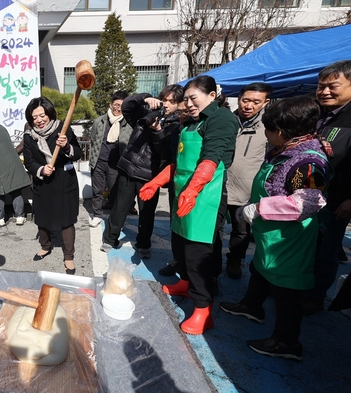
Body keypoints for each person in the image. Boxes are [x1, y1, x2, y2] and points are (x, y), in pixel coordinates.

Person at [220, 96, 332, 361]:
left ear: (279, 132)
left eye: (267, 130)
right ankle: (251, 306)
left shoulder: (309, 162)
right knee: (260, 268)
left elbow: (307, 203)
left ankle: (287, 342)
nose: (266, 135)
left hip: (290, 239)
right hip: (271, 234)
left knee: (286, 290)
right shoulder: (286, 149)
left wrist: (260, 209)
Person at [140, 75, 238, 335]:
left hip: (205, 197)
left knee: (198, 254)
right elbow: (178, 164)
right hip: (183, 195)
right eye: (187, 99)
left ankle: (204, 309)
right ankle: (184, 282)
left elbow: (212, 158)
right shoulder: (189, 125)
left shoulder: (221, 119)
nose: (190, 104)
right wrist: (155, 183)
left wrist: (194, 190)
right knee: (180, 245)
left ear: (212, 95)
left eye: (194, 98)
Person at [101, 85, 183, 260]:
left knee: (147, 213)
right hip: (128, 168)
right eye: (165, 100)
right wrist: (145, 98)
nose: (167, 104)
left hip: (150, 176)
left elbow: (165, 153)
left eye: (172, 101)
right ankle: (110, 238)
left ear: (179, 104)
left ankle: (144, 243)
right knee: (119, 207)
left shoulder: (177, 126)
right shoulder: (146, 113)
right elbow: (126, 106)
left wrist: (158, 132)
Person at [302, 60, 351, 314]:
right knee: (305, 244)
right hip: (308, 193)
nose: (324, 91)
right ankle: (299, 288)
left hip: (336, 199)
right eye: (321, 86)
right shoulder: (317, 114)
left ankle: (315, 296)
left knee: (326, 250)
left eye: (332, 86)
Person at [23, 97, 82, 275]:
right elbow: (29, 161)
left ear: (49, 114)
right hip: (43, 182)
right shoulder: (29, 136)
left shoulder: (62, 129)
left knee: (66, 220)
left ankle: (69, 256)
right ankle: (45, 246)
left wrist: (66, 147)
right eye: (35, 117)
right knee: (42, 218)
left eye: (42, 115)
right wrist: (41, 169)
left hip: (64, 181)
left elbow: (77, 153)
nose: (39, 120)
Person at [223, 83, 273, 279]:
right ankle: (210, 262)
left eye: (255, 102)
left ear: (265, 103)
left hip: (247, 190)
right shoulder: (227, 121)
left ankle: (235, 260)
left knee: (241, 231)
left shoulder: (269, 127)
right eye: (245, 100)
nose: (248, 106)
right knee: (214, 228)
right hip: (220, 185)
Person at [88, 90, 131, 227]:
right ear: (111, 104)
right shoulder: (99, 121)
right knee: (97, 191)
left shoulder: (127, 123)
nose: (118, 108)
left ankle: (114, 217)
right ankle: (97, 215)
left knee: (115, 192)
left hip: (116, 164)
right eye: (116, 104)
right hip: (98, 161)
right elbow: (93, 139)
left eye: (121, 105)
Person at [158, 97, 190, 276]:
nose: (183, 115)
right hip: (176, 184)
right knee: (176, 226)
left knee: (194, 233)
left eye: (186, 111)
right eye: (181, 112)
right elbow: (172, 159)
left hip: (198, 188)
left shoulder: (205, 128)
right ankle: (178, 261)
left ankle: (202, 275)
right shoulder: (176, 129)